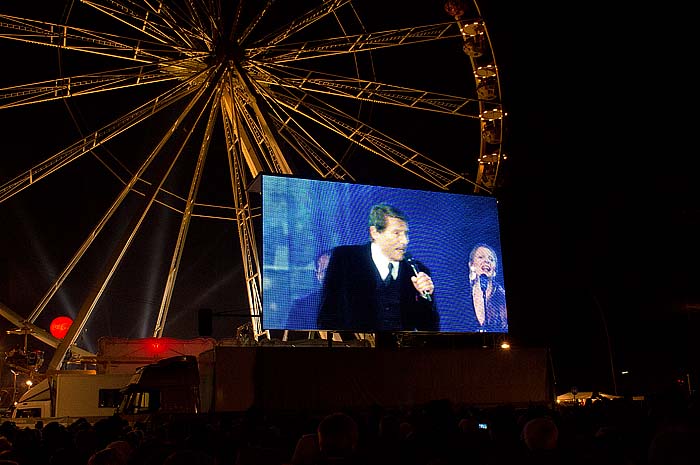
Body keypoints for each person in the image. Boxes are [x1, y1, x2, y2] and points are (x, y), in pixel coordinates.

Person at [317, 203, 439, 333]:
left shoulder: (418, 271)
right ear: (374, 232)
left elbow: (430, 329)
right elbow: (327, 317)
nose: (404, 241)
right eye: (396, 233)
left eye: (406, 234)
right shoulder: (345, 259)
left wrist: (425, 297)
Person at [286, 250, 332, 332]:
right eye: (326, 271)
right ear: (318, 275)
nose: (332, 275)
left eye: (335, 271)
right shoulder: (301, 307)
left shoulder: (357, 303)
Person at [466, 243, 507, 331]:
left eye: (491, 259)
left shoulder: (502, 297)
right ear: (472, 265)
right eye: (481, 257)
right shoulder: (462, 297)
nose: (487, 261)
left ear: (494, 270)